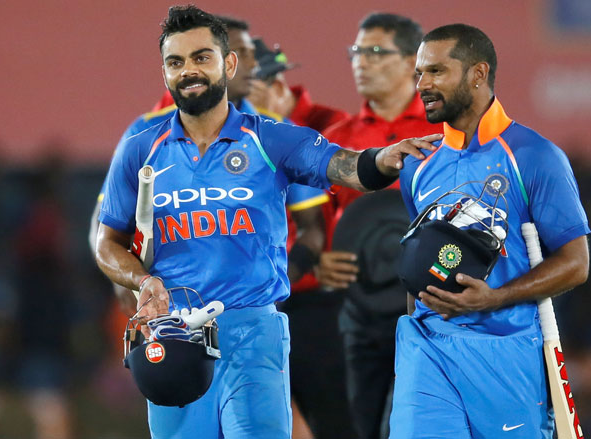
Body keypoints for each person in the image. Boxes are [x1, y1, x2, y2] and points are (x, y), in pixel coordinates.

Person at [94, 6, 439, 439]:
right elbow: (107, 243)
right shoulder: (140, 146)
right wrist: (142, 282)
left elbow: (344, 167)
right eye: (175, 62)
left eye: (202, 57)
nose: (189, 71)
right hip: (173, 333)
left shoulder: (270, 136)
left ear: (229, 63)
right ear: (164, 72)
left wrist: (382, 160)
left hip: (253, 333)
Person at [388, 24, 591, 439]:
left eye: (436, 72)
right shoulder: (416, 165)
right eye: (419, 74)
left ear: (478, 74)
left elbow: (576, 264)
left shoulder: (534, 156)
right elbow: (420, 261)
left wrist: (496, 297)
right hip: (427, 344)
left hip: (506, 352)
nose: (422, 85)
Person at [89, 14, 264, 317]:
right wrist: (127, 280)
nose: (254, 63)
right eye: (182, 60)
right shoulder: (146, 133)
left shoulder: (270, 131)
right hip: (173, 308)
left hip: (252, 309)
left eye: (251, 53)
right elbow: (105, 225)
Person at [317, 13, 438, 439]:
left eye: (374, 52)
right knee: (356, 428)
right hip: (358, 314)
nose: (360, 63)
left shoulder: (444, 133)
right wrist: (317, 261)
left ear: (411, 63)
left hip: (433, 309)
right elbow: (308, 225)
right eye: (356, 52)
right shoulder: (335, 140)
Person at [251, 38, 355, 439]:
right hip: (252, 308)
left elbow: (365, 216)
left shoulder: (330, 128)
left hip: (316, 304)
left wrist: (337, 251)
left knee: (336, 421)